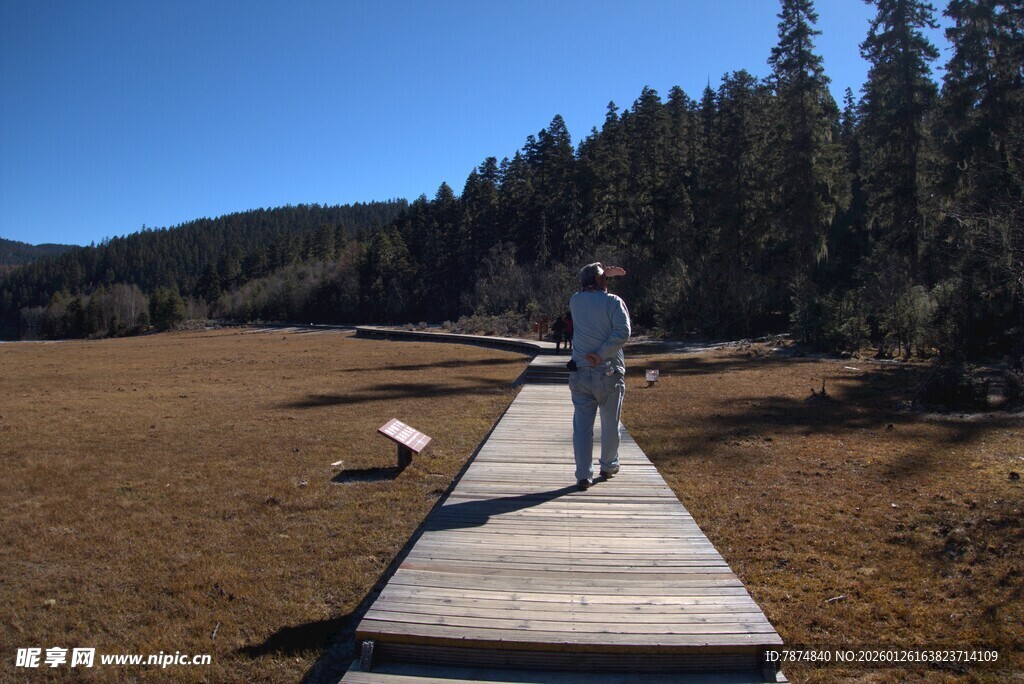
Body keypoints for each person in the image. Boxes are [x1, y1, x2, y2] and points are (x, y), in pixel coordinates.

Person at [568, 262, 630, 490]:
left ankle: (583, 474)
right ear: (598, 281)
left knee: (582, 428)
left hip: (580, 373)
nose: (608, 280)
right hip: (608, 371)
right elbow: (623, 332)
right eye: (605, 277)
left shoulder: (575, 301)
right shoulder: (614, 302)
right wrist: (602, 353)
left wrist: (602, 276)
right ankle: (608, 465)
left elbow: (593, 295)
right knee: (610, 423)